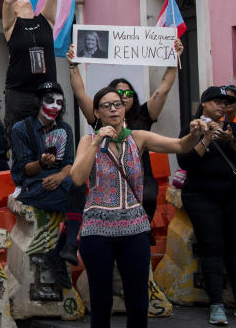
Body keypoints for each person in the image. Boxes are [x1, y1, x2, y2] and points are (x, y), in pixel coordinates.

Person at [71, 87, 205, 328]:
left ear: (124, 109)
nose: (114, 110)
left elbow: (180, 145)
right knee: (102, 301)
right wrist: (96, 143)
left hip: (133, 227)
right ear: (97, 113)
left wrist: (196, 133)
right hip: (97, 230)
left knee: (138, 302)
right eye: (106, 106)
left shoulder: (138, 138)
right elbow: (78, 178)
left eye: (117, 104)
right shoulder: (87, 141)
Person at [68, 39, 184, 221]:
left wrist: (173, 60)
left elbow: (163, 90)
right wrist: (73, 66)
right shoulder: (100, 121)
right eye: (117, 95)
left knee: (147, 197)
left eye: (128, 94)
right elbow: (81, 95)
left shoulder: (144, 115)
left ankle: (142, 232)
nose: (122, 99)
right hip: (107, 183)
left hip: (142, 180)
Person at [9, 81, 82, 287]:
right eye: (49, 100)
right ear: (38, 102)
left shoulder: (65, 129)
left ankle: (62, 251)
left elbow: (69, 164)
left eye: (59, 102)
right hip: (32, 186)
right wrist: (41, 163)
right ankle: (63, 252)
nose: (54, 106)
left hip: (60, 182)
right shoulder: (21, 129)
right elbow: (24, 169)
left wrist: (59, 177)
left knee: (80, 189)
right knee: (79, 199)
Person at [175, 86, 236, 326]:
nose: (222, 106)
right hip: (201, 197)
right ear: (205, 104)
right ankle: (217, 305)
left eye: (226, 103)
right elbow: (185, 160)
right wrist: (207, 139)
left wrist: (230, 140)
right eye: (217, 102)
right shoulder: (192, 128)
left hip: (231, 197)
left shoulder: (232, 128)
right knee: (212, 248)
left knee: (234, 250)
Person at [2, 0, 58, 126]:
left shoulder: (45, 20)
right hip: (19, 93)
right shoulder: (11, 26)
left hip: (46, 92)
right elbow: (7, 0)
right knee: (20, 136)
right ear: (15, 10)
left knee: (49, 139)